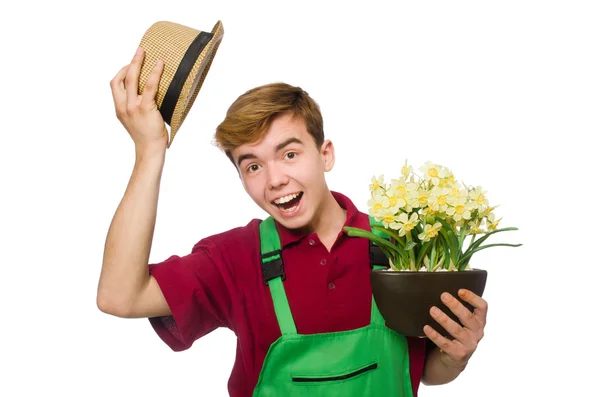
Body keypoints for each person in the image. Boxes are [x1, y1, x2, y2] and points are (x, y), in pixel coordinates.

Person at [98, 48, 488, 397]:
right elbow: (119, 296)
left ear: (326, 154)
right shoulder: (234, 259)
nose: (274, 180)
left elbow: (420, 370)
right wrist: (149, 151)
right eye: (253, 165)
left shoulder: (402, 248)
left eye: (288, 154)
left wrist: (456, 356)